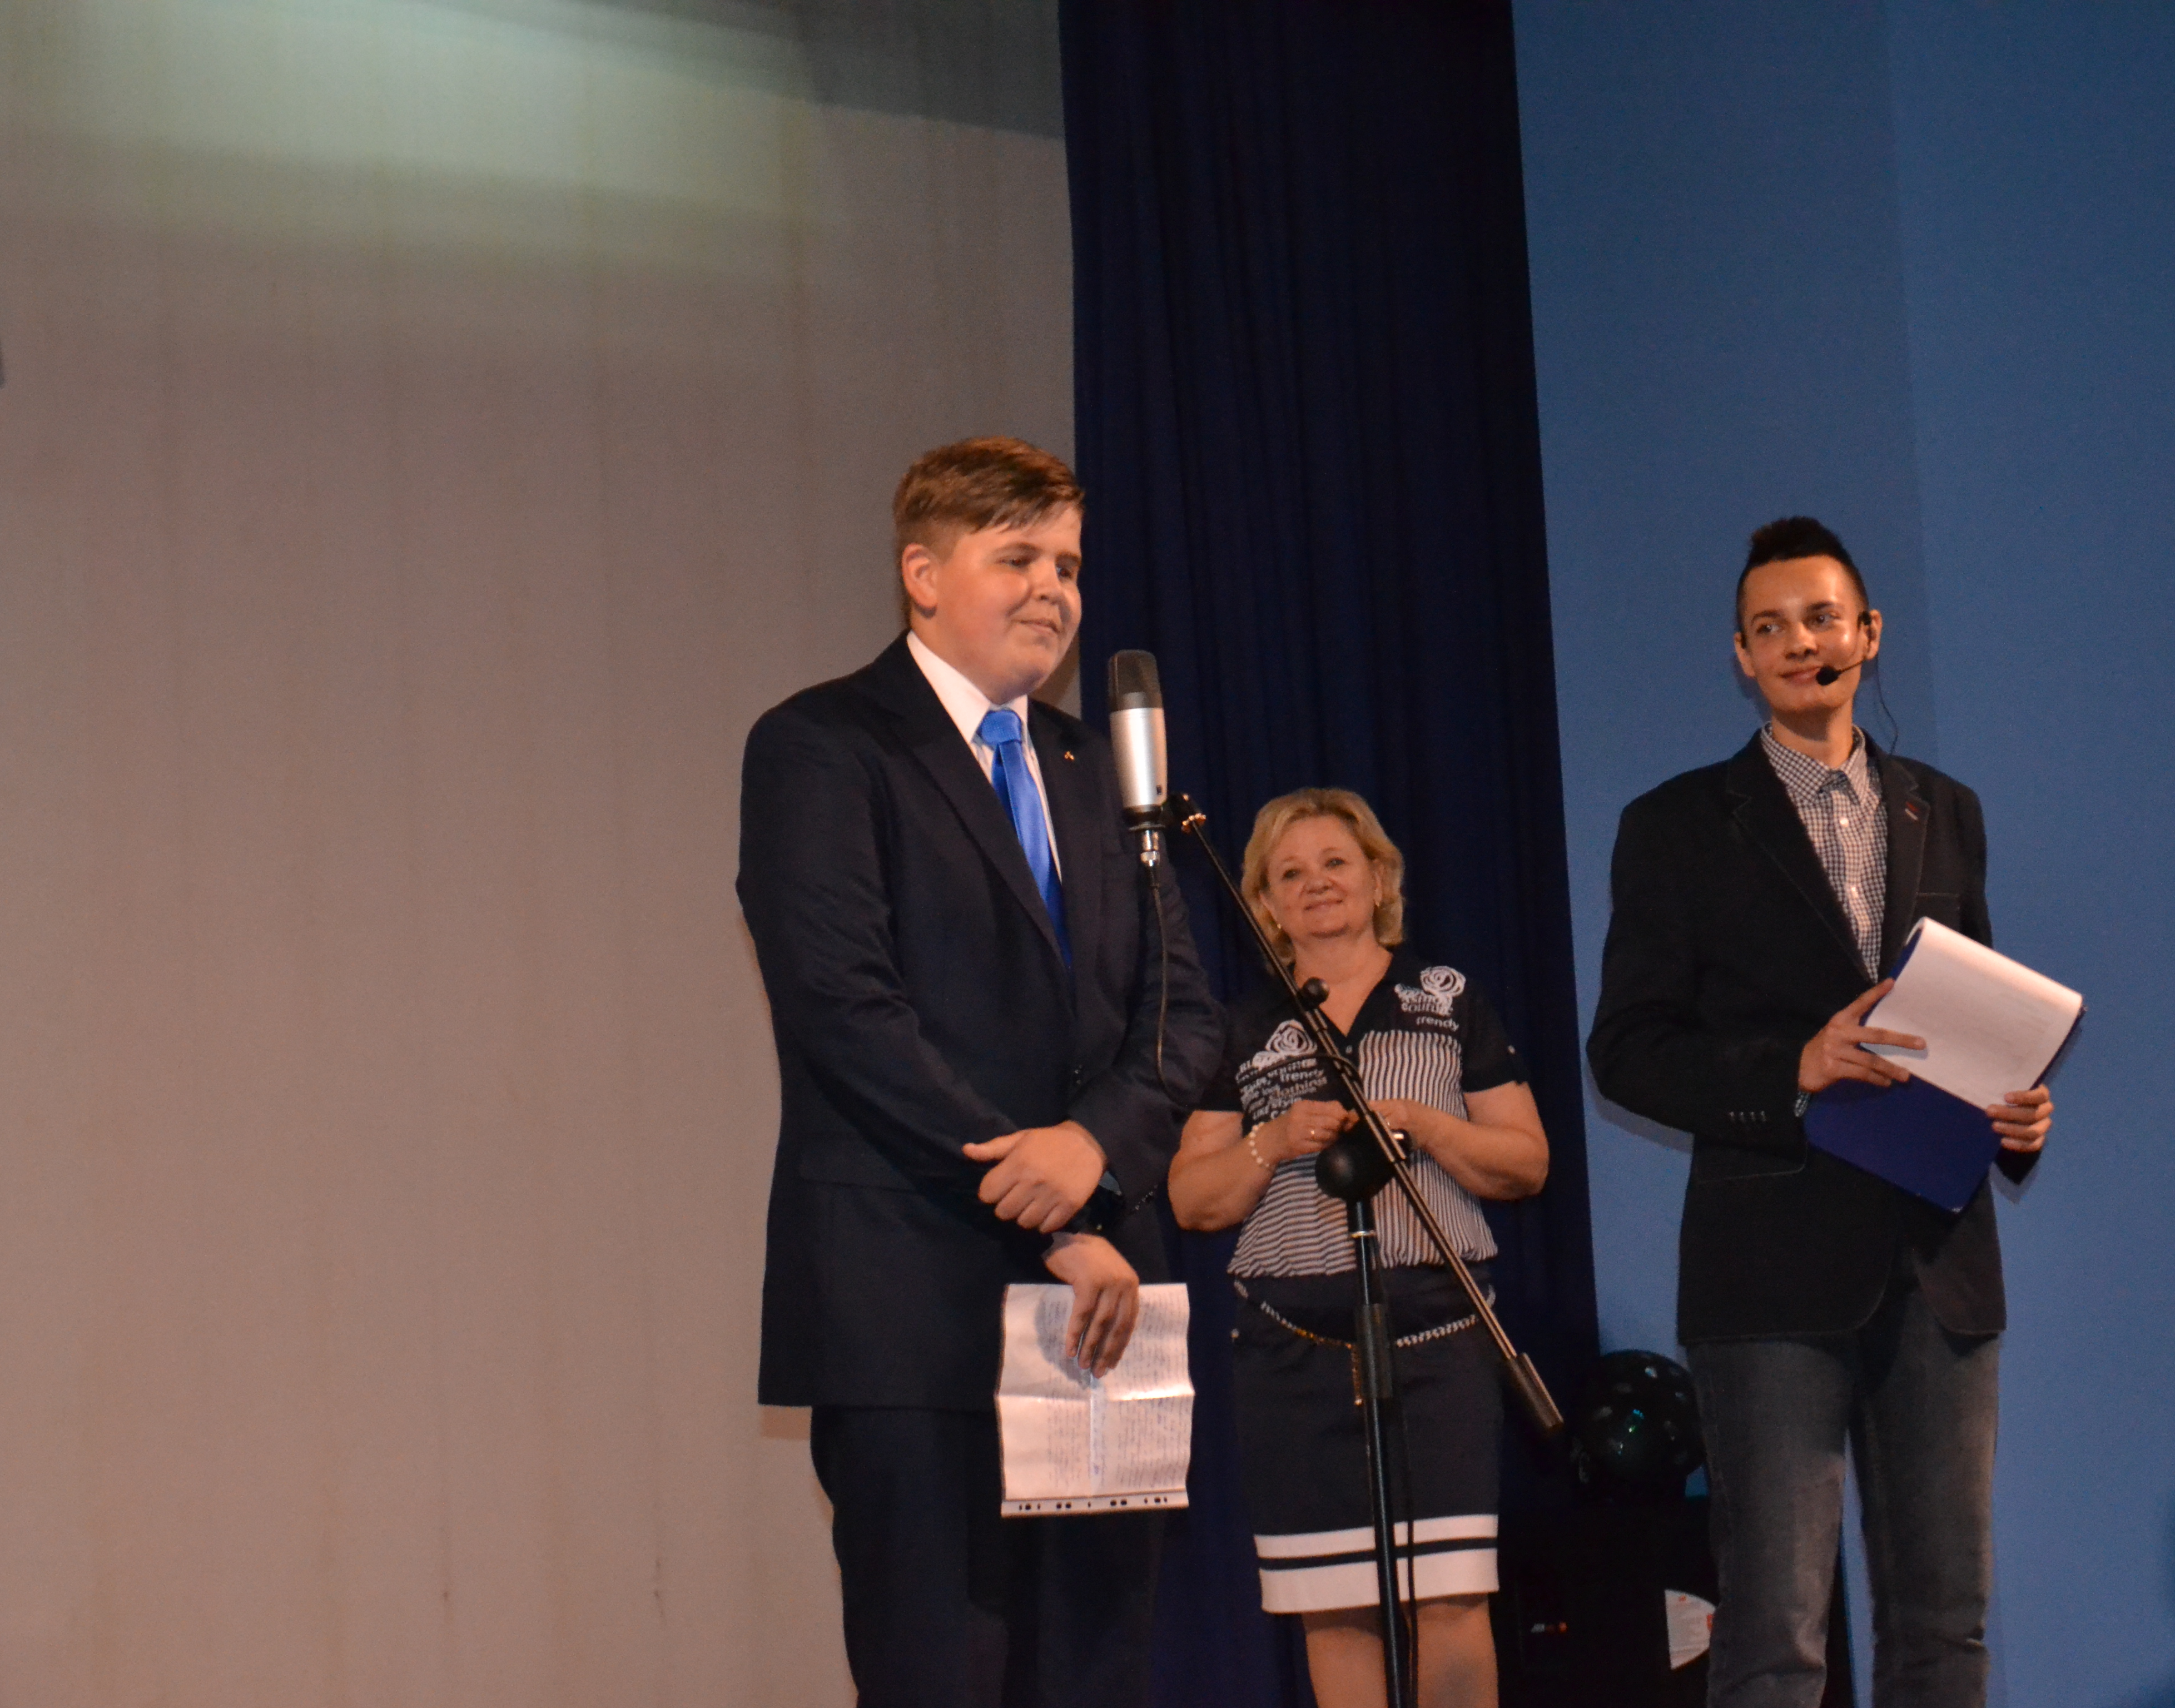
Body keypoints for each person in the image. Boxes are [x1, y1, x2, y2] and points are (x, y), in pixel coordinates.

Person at [736, 436, 1225, 1708]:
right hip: (915, 1304)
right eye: (1018, 559)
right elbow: (848, 1013)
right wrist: (1049, 1203)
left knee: (1096, 1675)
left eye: (1068, 564)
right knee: (942, 1674)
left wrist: (1097, 1156)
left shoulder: (1096, 771)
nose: (1054, 589)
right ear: (923, 575)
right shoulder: (824, 745)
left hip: (1104, 1308)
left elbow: (1180, 1016)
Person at [1585, 517, 2055, 1708]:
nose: (1803, 643)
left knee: (1945, 1627)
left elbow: (1975, 1007)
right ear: (1742, 657)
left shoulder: (1945, 809)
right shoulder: (1678, 824)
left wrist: (2017, 1116)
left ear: (1869, 634)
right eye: (1772, 628)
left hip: (1939, 1264)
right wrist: (1792, 1066)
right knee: (1777, 1633)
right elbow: (1627, 1051)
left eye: (1823, 619)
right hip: (1768, 1276)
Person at [1168, 787, 1548, 1708]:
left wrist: (1425, 1124)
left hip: (1438, 1338)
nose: (1317, 884)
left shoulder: (1447, 999)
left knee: (1451, 1595)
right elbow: (1190, 1198)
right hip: (1294, 1353)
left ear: (1379, 877)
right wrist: (1271, 1142)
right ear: (1265, 903)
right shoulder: (1239, 1026)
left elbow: (1526, 1162)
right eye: (1289, 873)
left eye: (1335, 863)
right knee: (1334, 1608)